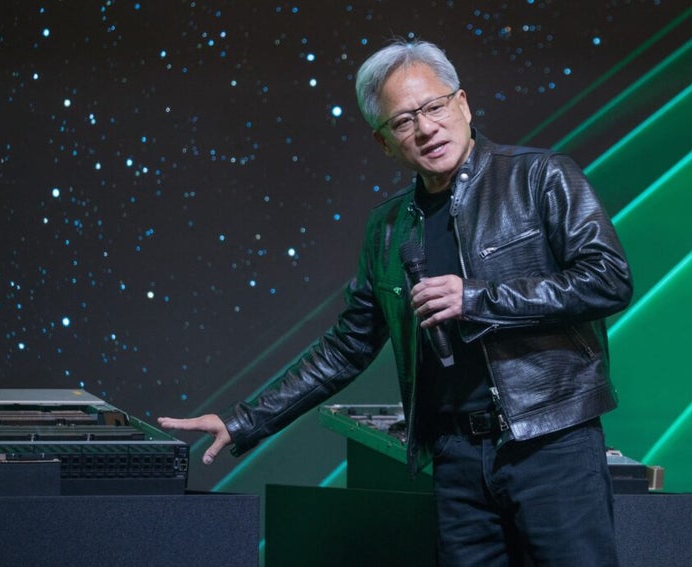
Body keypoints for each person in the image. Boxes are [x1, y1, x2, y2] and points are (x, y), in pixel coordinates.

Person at [159, 39, 632, 566]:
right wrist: (242, 421)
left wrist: (477, 298)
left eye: (434, 106)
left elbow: (608, 278)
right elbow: (346, 348)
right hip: (455, 458)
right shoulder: (388, 228)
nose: (426, 128)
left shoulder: (540, 175)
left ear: (463, 103)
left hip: (551, 441)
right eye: (404, 121)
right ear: (384, 142)